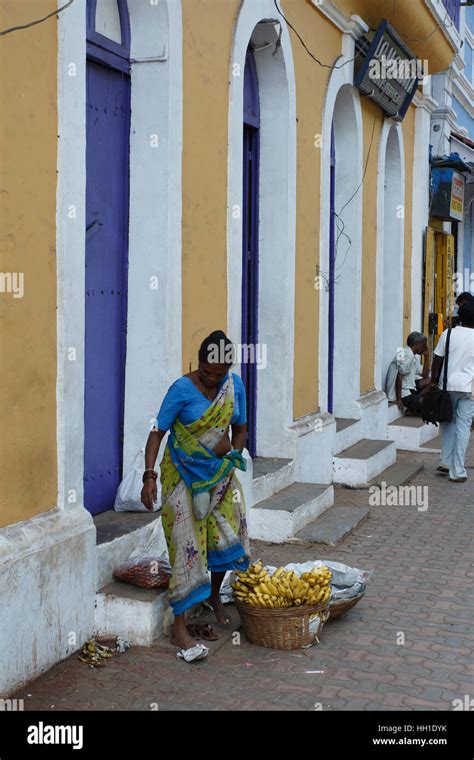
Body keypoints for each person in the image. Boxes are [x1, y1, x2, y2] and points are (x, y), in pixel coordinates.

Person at [140, 330, 250, 660]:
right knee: (186, 545)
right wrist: (150, 477)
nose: (213, 380)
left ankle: (214, 594)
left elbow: (241, 429)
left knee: (225, 535)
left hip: (219, 475)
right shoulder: (181, 390)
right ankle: (179, 626)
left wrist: (232, 456)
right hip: (182, 476)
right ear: (198, 363)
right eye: (207, 373)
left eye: (220, 374)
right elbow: (157, 433)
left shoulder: (234, 387)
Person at [430, 301, 474, 482]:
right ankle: (457, 471)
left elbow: (437, 359)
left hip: (447, 386)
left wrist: (433, 382)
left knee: (448, 422)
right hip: (469, 388)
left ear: (460, 317)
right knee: (463, 427)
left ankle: (445, 461)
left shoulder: (448, 334)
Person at [385, 332, 430, 413]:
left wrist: (427, 357)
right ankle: (412, 407)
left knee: (431, 382)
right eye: (423, 345)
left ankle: (413, 406)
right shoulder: (408, 355)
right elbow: (399, 376)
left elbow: (424, 374)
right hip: (403, 393)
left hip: (408, 387)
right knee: (429, 402)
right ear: (416, 344)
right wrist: (399, 399)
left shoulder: (409, 354)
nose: (424, 347)